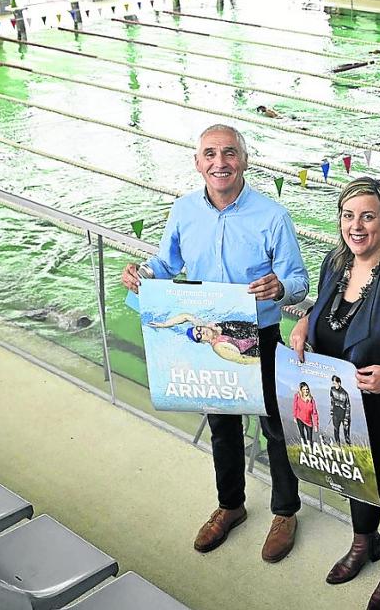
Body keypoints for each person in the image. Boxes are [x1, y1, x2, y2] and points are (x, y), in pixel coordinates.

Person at [120, 124, 310, 559]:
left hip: (258, 335)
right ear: (197, 162)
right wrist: (141, 274)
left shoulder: (272, 216)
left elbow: (299, 282)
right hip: (208, 337)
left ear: (244, 160)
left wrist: (280, 288)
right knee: (222, 428)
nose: (219, 163)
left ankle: (285, 512)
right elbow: (165, 264)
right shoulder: (184, 210)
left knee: (275, 428)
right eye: (210, 154)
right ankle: (230, 506)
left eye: (228, 153)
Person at [288, 177, 380, 609]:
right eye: (348, 215)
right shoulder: (334, 265)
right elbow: (326, 312)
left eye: (367, 217)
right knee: (356, 473)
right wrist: (304, 323)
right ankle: (363, 542)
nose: (356, 226)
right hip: (346, 406)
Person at [149, 314, 262, 365]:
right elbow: (242, 359)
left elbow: (186, 316)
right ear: (203, 341)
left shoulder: (208, 326)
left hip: (253, 329)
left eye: (199, 329)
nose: (201, 332)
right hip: (255, 348)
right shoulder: (219, 347)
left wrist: (164, 324)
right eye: (199, 336)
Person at [329, 375, 352, 445]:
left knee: (346, 431)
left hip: (344, 414)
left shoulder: (345, 393)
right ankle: (338, 444)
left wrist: (346, 419)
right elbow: (332, 401)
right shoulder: (332, 390)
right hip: (336, 413)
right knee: (336, 430)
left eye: (335, 383)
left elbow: (348, 406)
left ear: (339, 383)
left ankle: (348, 445)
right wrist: (332, 411)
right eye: (333, 383)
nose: (334, 385)